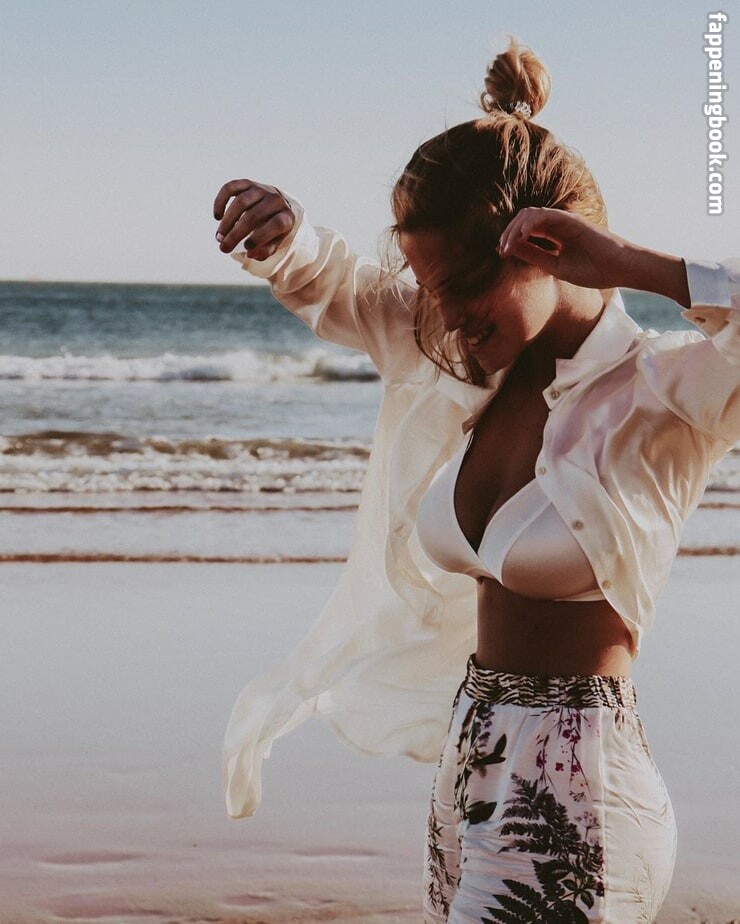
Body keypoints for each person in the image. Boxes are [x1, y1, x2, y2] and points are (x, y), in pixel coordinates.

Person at [213, 39, 739, 924]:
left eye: (461, 285)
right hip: (470, 783)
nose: (446, 315)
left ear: (548, 249)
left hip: (578, 802)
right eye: (430, 288)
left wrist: (635, 265)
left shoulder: (664, 393)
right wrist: (282, 236)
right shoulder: (463, 370)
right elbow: (340, 286)